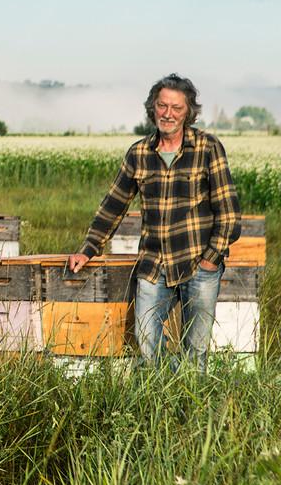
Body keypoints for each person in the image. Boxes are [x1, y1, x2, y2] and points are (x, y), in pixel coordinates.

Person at [69, 74, 240, 371]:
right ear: (153, 108)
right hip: (153, 264)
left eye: (176, 108)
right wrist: (88, 248)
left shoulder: (207, 147)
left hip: (198, 263)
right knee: (147, 339)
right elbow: (113, 205)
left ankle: (189, 410)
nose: (168, 113)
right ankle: (162, 395)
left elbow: (228, 212)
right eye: (162, 106)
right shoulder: (139, 153)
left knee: (195, 350)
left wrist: (211, 259)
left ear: (188, 112)